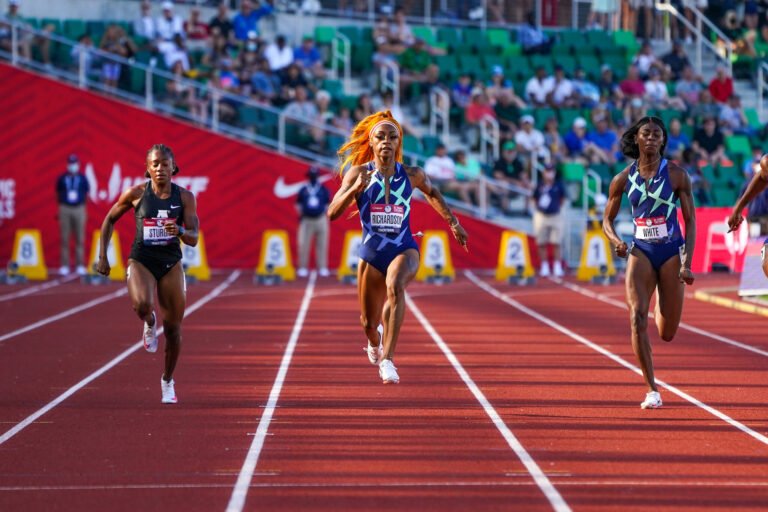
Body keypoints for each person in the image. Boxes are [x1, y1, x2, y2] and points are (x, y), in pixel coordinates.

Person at [327, 111, 468, 384]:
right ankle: (375, 340)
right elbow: (332, 213)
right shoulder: (358, 173)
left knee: (396, 285)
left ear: (398, 142)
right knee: (368, 322)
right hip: (371, 253)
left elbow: (433, 193)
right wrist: (354, 188)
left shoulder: (412, 174)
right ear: (371, 141)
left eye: (392, 137)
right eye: (380, 137)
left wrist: (453, 222)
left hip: (404, 246)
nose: (386, 142)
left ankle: (388, 359)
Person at [603, 117, 696, 410]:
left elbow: (691, 222)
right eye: (647, 134)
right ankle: (651, 389)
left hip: (670, 252)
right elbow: (606, 219)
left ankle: (661, 300)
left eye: (658, 135)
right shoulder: (622, 179)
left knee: (667, 333)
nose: (653, 139)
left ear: (663, 141)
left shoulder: (677, 175)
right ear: (638, 139)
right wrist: (617, 241)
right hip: (640, 250)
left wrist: (687, 262)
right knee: (636, 318)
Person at [95, 144, 199, 404]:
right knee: (142, 305)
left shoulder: (185, 197)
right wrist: (102, 256)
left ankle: (167, 380)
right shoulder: (136, 194)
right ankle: (149, 322)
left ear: (173, 167)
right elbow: (109, 219)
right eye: (155, 164)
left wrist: (181, 233)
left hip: (170, 263)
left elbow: (195, 238)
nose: (160, 169)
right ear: (147, 169)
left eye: (164, 164)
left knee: (174, 330)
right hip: (141, 259)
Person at [56, 154, 90, 276]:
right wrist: (61, 207)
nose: (72, 166)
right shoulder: (62, 178)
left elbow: (86, 192)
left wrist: (83, 208)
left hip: (79, 208)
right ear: (67, 164)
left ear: (78, 164)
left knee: (80, 238)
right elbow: (58, 192)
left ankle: (80, 264)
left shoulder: (82, 178)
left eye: (74, 163)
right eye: (70, 163)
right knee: (64, 238)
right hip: (65, 207)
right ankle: (65, 265)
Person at [532, 163, 567, 277]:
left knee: (557, 242)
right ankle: (544, 265)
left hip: (555, 215)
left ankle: (557, 266)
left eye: (551, 171)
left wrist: (556, 207)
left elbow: (563, 199)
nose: (549, 174)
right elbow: (534, 198)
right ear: (544, 173)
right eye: (547, 171)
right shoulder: (539, 186)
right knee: (541, 242)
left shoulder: (558, 185)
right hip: (541, 216)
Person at [296, 166, 330, 278]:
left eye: (314, 176)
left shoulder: (323, 189)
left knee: (322, 244)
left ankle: (322, 267)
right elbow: (298, 204)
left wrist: (322, 213)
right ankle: (302, 267)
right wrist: (302, 214)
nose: (313, 178)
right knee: (303, 244)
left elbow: (328, 203)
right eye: (311, 176)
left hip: (321, 219)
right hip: (306, 220)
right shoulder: (303, 189)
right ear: (308, 177)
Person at [730, 153, 768, 247]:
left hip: (766, 216)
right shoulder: (748, 183)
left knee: (765, 240)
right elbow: (740, 199)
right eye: (756, 164)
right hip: (753, 216)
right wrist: (735, 211)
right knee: (755, 240)